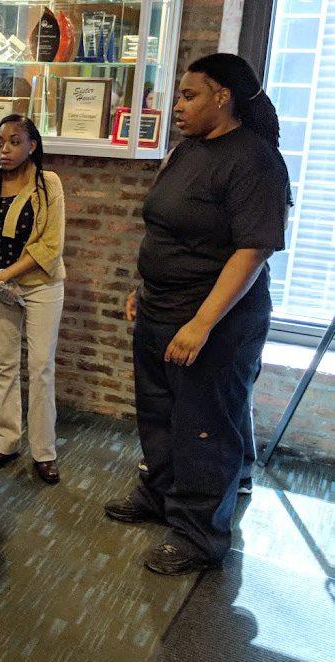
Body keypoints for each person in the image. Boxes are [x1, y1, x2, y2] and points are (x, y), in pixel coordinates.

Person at [104, 53, 291, 575]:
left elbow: (252, 251)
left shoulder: (255, 160)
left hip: (216, 321)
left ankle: (199, 534)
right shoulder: (188, 151)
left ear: (222, 97)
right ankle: (162, 493)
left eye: (189, 96)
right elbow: (165, 229)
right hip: (161, 308)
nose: (177, 107)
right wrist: (145, 287)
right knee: (159, 413)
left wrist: (201, 324)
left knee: (205, 426)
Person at [0, 114, 66, 484]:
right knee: (3, 364)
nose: (5, 149)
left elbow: (50, 245)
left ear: (32, 144)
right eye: (1, 141)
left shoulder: (48, 184)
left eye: (15, 141)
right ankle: (4, 441)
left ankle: (44, 451)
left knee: (40, 366)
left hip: (39, 285)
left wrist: (4, 275)